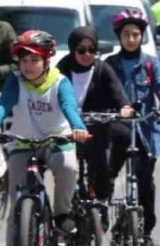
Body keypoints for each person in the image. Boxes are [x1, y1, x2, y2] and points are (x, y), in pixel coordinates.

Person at [0, 31, 90, 237]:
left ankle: (62, 214)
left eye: (34, 60)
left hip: (56, 140)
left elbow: (69, 107)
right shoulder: (15, 80)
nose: (27, 66)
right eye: (24, 60)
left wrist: (78, 127)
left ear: (47, 60)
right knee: (17, 206)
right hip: (22, 143)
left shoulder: (59, 81)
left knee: (68, 166)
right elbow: (4, 105)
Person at [105, 9, 160, 246]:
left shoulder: (151, 64)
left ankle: (147, 230)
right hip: (116, 132)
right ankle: (101, 215)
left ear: (142, 36)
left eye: (135, 34)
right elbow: (100, 92)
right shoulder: (110, 64)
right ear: (119, 37)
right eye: (126, 34)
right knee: (106, 175)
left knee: (145, 182)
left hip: (145, 133)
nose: (131, 39)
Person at [56, 26, 132, 208]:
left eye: (92, 50)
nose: (87, 54)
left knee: (102, 164)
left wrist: (124, 107)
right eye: (81, 50)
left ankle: (102, 204)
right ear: (73, 49)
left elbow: (117, 92)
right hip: (68, 127)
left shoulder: (102, 69)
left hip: (97, 126)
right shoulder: (62, 68)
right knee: (65, 168)